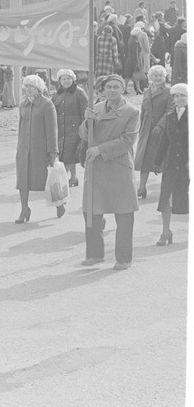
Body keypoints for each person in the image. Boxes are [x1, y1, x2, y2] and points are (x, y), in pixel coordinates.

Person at [80, 74, 140, 271]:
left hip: (119, 167)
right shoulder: (95, 108)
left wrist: (100, 150)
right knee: (91, 212)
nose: (112, 90)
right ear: (103, 89)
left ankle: (124, 257)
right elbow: (84, 134)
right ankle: (94, 254)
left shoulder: (131, 111)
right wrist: (87, 122)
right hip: (96, 168)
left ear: (123, 89)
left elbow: (127, 141)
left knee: (123, 214)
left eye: (116, 86)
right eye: (109, 87)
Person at [15, 75, 64, 223]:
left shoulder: (47, 105)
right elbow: (20, 127)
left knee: (48, 180)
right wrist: (19, 146)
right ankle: (24, 209)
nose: (27, 89)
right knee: (23, 180)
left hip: (40, 149)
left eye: (31, 86)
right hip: (24, 149)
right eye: (26, 86)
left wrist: (53, 152)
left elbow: (52, 130)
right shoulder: (23, 104)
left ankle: (59, 203)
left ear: (38, 88)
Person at [153, 83, 188, 245]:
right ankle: (166, 231)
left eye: (183, 95)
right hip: (171, 162)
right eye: (176, 96)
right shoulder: (169, 116)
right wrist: (157, 161)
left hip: (187, 164)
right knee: (165, 197)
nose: (179, 99)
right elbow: (164, 140)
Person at [135, 65, 173, 199]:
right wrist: (140, 129)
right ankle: (141, 187)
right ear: (150, 77)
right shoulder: (147, 91)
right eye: (155, 76)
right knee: (145, 159)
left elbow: (170, 111)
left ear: (165, 77)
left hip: (161, 131)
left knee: (161, 159)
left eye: (160, 76)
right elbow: (143, 112)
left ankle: (166, 190)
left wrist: (160, 126)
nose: (157, 78)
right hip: (147, 130)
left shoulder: (169, 92)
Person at [52, 69, 88, 188]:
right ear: (60, 81)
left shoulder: (79, 92)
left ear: (73, 79)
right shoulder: (57, 94)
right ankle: (74, 177)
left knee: (68, 155)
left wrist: (84, 129)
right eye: (63, 79)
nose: (66, 81)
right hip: (61, 130)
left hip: (75, 130)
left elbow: (85, 112)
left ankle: (61, 181)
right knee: (68, 155)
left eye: (68, 78)